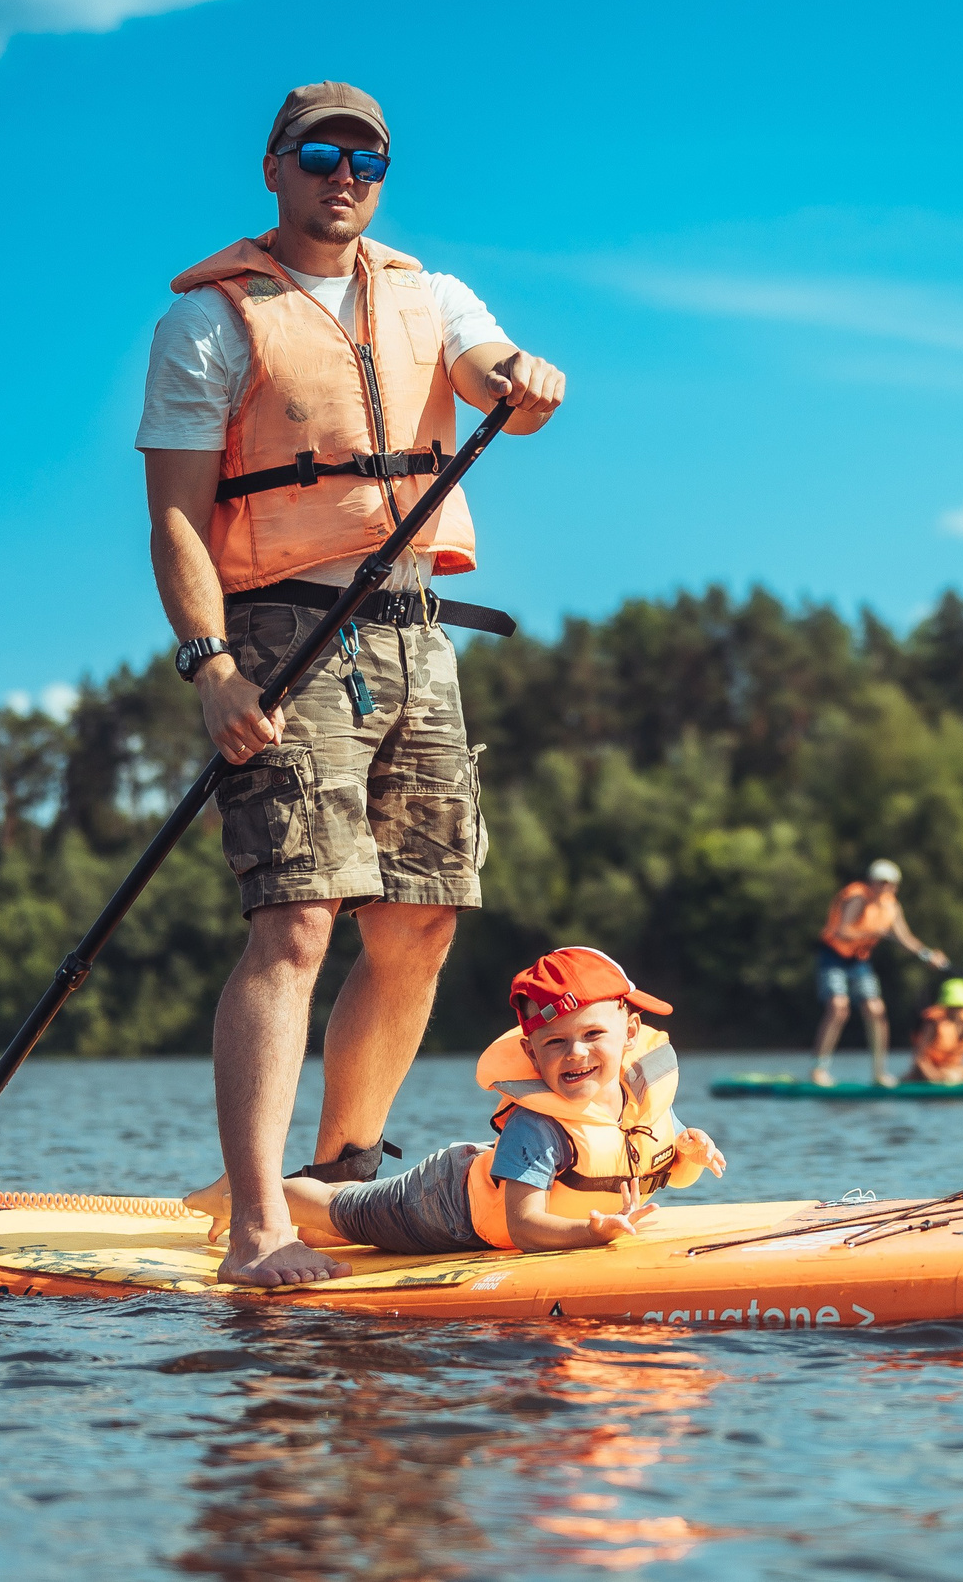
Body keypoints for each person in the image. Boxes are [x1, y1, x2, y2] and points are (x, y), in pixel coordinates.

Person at [141, 81, 568, 1285]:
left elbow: (493, 377)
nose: (347, 176)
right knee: (296, 921)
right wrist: (209, 663)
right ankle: (255, 1228)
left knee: (422, 918)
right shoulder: (210, 325)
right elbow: (174, 517)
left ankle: (336, 1177)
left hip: (416, 634)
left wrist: (526, 381)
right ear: (274, 167)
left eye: (368, 160)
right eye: (322, 154)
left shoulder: (432, 294)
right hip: (283, 634)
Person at [279, 946, 726, 1255]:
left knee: (334, 1225)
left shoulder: (642, 1099)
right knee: (339, 1212)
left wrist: (691, 1154)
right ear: (531, 1052)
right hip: (446, 1206)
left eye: (593, 1034)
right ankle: (251, 1196)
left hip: (485, 1191)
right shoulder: (537, 1127)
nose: (576, 1053)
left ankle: (264, 1196)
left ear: (630, 1034)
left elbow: (669, 1174)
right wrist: (589, 1234)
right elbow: (524, 1226)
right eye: (555, 1043)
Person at [812, 858, 947, 1087]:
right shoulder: (857, 897)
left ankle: (879, 1073)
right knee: (838, 1007)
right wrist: (873, 930)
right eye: (881, 882)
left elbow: (905, 939)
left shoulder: (891, 906)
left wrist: (928, 955)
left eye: (890, 883)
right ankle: (819, 1070)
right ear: (871, 882)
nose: (885, 888)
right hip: (833, 957)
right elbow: (842, 931)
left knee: (876, 1010)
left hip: (859, 960)